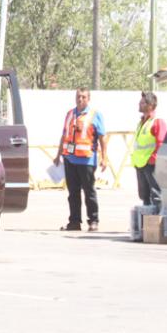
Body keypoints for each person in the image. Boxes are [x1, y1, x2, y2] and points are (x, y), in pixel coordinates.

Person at [53, 88, 107, 232]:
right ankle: (74, 222)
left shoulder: (95, 115)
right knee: (73, 193)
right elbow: (64, 135)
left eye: (83, 97)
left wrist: (104, 158)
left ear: (88, 99)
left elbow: (102, 138)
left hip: (86, 160)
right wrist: (58, 155)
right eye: (78, 96)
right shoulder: (70, 114)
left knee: (89, 192)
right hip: (70, 159)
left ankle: (93, 220)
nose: (80, 99)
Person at [130, 91, 167, 210]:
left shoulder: (157, 122)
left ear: (150, 105)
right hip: (140, 164)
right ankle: (147, 219)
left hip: (150, 165)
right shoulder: (142, 122)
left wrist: (153, 159)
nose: (139, 104)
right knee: (144, 195)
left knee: (156, 195)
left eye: (142, 103)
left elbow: (161, 143)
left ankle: (156, 218)